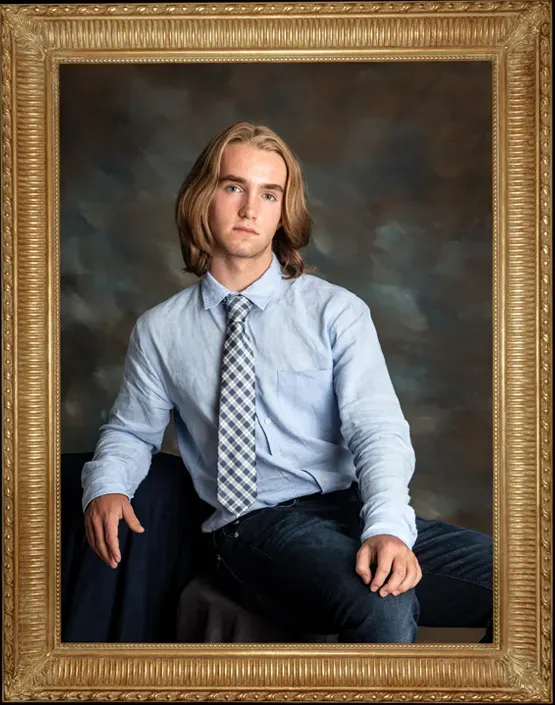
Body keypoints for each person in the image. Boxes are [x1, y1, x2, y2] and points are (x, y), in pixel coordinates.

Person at [81, 120, 493, 643]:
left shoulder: (335, 311)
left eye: (268, 194)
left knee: (525, 584)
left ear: (283, 212)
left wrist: (386, 526)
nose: (250, 209)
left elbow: (376, 427)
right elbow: (130, 432)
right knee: (380, 608)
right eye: (233, 187)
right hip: (252, 525)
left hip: (348, 506)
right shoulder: (161, 329)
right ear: (201, 197)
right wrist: (108, 485)